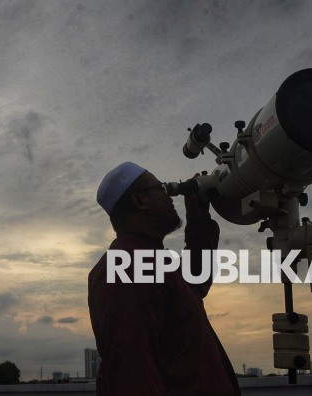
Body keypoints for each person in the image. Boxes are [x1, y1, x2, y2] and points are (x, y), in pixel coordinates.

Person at [88, 162, 241, 396]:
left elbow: (195, 281)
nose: (170, 196)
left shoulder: (149, 258)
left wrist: (198, 218)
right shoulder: (129, 265)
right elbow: (134, 376)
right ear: (140, 201)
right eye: (160, 188)